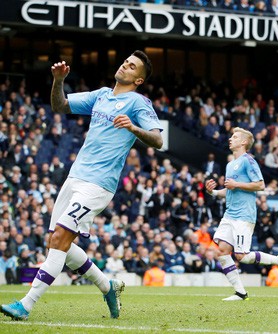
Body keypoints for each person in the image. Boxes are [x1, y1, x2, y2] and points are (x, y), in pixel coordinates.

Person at [1, 50, 163, 320]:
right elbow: (60, 106)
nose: (125, 66)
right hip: (75, 177)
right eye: (126, 61)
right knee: (57, 242)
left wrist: (134, 129)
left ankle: (26, 305)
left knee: (61, 238)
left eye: (132, 67)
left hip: (99, 184)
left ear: (138, 80)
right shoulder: (100, 95)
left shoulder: (138, 103)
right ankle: (107, 286)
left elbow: (158, 140)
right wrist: (58, 80)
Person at [205, 127, 278, 301]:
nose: (230, 139)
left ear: (244, 142)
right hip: (229, 214)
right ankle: (240, 292)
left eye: (235, 136)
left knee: (242, 257)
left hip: (244, 215)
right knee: (223, 251)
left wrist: (237, 185)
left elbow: (260, 185)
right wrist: (213, 193)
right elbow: (229, 190)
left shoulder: (248, 161)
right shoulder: (230, 164)